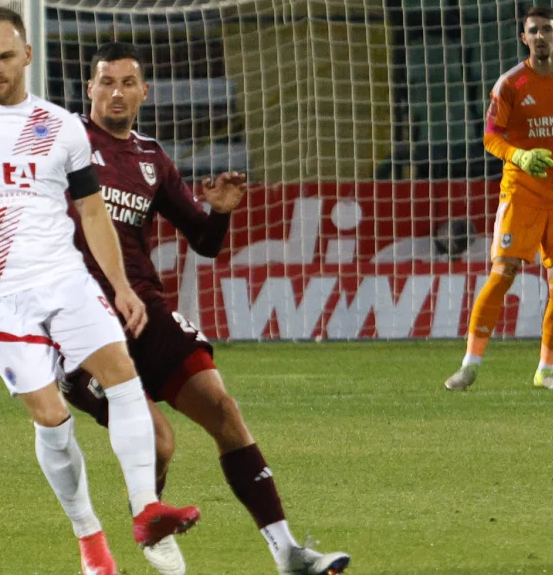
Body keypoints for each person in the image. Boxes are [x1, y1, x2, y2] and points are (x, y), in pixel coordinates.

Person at [0, 9, 200, 575]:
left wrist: (119, 285)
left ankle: (147, 511)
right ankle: (91, 541)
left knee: (122, 374)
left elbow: (92, 211)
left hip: (66, 279)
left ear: (26, 56)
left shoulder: (60, 126)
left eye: (5, 56)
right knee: (52, 419)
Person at [59, 42, 351, 575]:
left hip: (143, 309)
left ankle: (289, 553)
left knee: (223, 411)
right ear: (90, 89)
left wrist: (218, 213)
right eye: (106, 82)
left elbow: (204, 241)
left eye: (128, 82)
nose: (117, 92)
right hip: (79, 321)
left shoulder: (151, 159)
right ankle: (149, 521)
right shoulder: (65, 142)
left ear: (145, 92)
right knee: (160, 441)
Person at [444, 6, 553, 392]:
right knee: (504, 272)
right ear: (524, 38)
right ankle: (469, 364)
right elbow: (490, 135)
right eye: (532, 31)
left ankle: (546, 371)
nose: (539, 37)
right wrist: (519, 156)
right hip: (522, 191)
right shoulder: (510, 83)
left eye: (546, 30)